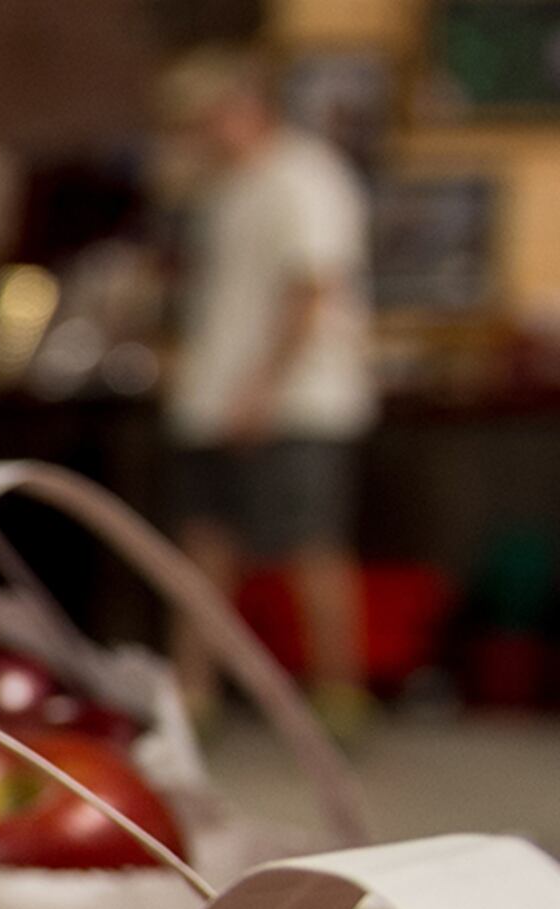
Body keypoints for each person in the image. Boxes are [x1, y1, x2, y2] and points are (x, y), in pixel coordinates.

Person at [162, 45, 377, 733]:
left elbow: (310, 289)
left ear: (241, 108)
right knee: (203, 545)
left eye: (201, 122)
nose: (195, 138)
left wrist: (261, 389)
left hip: (297, 403)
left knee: (312, 546)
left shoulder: (307, 177)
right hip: (210, 402)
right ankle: (192, 696)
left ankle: (339, 699)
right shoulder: (224, 189)